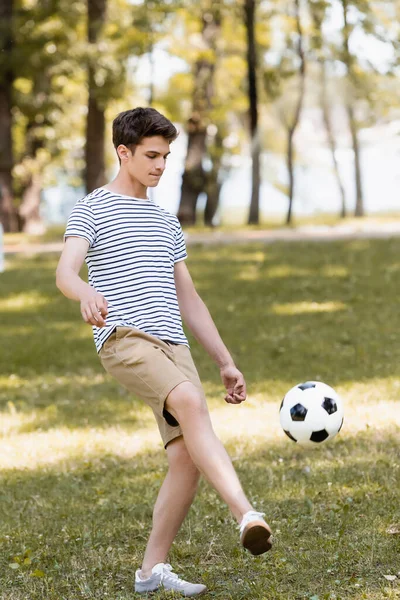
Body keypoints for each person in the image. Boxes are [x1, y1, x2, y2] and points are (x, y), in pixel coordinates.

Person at [56, 107, 272, 597]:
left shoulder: (163, 219)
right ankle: (247, 513)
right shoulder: (93, 207)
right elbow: (66, 270)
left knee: (185, 457)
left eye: (166, 156)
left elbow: (188, 298)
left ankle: (151, 571)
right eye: (151, 156)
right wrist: (84, 292)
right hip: (126, 339)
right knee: (192, 406)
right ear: (123, 152)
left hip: (173, 346)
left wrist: (224, 360)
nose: (160, 165)